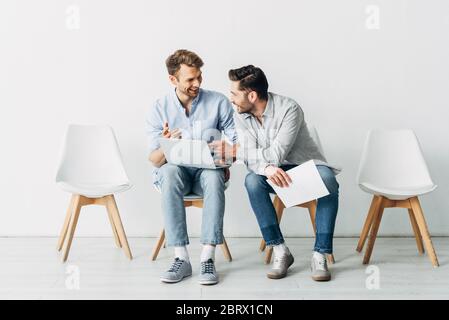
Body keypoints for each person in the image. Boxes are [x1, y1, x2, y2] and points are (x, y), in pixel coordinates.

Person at [210, 65, 339, 281]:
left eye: (234, 93)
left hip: (304, 167)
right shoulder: (240, 115)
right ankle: (280, 251)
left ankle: (320, 254)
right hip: (273, 171)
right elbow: (255, 160)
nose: (230, 98)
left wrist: (241, 152)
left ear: (252, 95)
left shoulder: (289, 109)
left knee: (328, 181)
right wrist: (266, 168)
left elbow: (276, 153)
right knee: (252, 181)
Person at [146, 49, 236, 285]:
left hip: (208, 172)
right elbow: (154, 160)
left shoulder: (218, 102)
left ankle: (207, 258)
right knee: (168, 170)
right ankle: (181, 258)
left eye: (199, 77)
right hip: (177, 175)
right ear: (173, 80)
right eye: (190, 79)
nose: (197, 83)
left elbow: (236, 145)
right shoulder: (159, 107)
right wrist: (168, 146)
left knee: (214, 175)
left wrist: (227, 151)